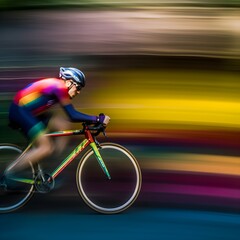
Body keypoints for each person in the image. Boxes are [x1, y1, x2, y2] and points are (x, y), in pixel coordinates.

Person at [7, 67, 110, 172]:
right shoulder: (58, 86)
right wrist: (97, 119)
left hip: (28, 112)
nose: (78, 92)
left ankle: (53, 164)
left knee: (62, 124)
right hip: (20, 111)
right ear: (69, 83)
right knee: (46, 147)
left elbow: (70, 116)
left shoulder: (57, 86)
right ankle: (10, 173)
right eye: (78, 88)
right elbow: (72, 115)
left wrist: (93, 120)